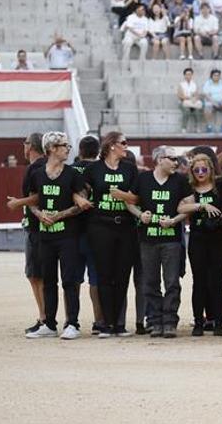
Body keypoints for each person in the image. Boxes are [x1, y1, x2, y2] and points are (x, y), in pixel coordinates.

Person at [23, 132, 87, 339]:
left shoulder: (72, 174)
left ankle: (72, 324)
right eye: (64, 146)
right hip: (45, 236)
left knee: (70, 280)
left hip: (68, 235)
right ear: (51, 148)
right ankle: (49, 324)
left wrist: (59, 215)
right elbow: (32, 201)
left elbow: (81, 205)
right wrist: (39, 214)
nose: (68, 149)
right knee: (48, 279)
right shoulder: (37, 174)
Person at [76, 132, 139, 338]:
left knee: (122, 275)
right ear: (111, 146)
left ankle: (118, 324)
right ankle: (106, 323)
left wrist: (123, 196)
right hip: (100, 225)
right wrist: (80, 199)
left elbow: (137, 197)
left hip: (125, 225)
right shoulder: (94, 168)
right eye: (123, 143)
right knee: (104, 274)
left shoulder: (129, 169)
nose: (126, 146)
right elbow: (78, 189)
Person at [127, 146, 191, 338]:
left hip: (171, 239)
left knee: (172, 281)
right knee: (150, 281)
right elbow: (129, 201)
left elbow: (189, 205)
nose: (176, 163)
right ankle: (155, 321)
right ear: (160, 159)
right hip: (148, 239)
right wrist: (141, 215)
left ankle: (170, 321)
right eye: (172, 159)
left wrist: (175, 220)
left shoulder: (179, 180)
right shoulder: (143, 179)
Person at [178, 154, 222, 336]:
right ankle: (198, 322)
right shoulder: (190, 188)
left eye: (204, 169)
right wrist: (202, 206)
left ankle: (218, 321)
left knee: (217, 281)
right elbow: (181, 208)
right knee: (199, 281)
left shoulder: (220, 186)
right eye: (196, 170)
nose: (201, 173)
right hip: (198, 237)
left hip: (219, 237)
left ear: (210, 169)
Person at [6, 133, 46, 334]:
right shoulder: (41, 166)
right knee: (36, 275)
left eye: (26, 143)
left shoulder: (36, 167)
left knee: (36, 274)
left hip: (36, 227)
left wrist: (18, 203)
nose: (23, 146)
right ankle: (44, 316)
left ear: (31, 146)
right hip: (37, 226)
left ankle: (44, 317)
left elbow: (40, 196)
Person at [71, 136, 106, 334]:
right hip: (97, 229)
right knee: (96, 279)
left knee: (73, 279)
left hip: (73, 230)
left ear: (80, 150)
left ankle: (72, 320)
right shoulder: (102, 169)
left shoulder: (71, 170)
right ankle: (99, 321)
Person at [202, 69, 222, 134]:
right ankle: (209, 126)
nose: (216, 77)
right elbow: (206, 95)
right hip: (212, 102)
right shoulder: (208, 83)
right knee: (207, 106)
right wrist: (213, 102)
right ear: (211, 76)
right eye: (215, 75)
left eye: (218, 75)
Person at [177, 68, 203, 133]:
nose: (188, 76)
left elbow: (197, 94)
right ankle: (184, 128)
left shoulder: (194, 84)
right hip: (184, 102)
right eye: (187, 74)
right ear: (184, 75)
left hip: (193, 102)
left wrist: (195, 99)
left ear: (192, 75)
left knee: (197, 111)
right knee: (187, 111)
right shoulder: (181, 84)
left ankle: (197, 127)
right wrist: (190, 98)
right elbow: (180, 96)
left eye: (190, 74)